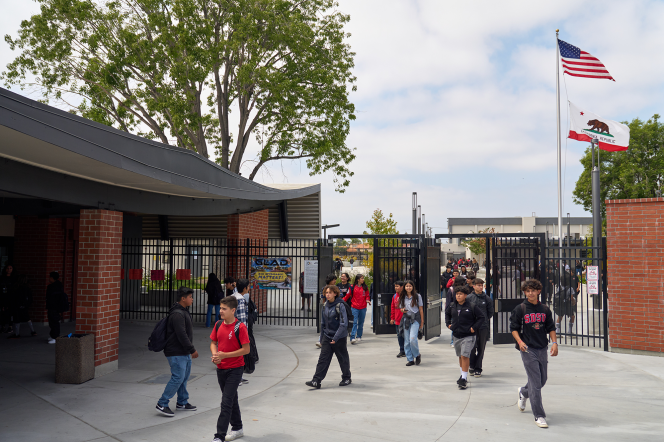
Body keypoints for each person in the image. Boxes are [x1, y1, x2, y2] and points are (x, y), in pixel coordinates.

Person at [510, 279, 558, 429]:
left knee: (542, 380)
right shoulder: (520, 309)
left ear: (538, 292)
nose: (530, 293)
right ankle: (539, 415)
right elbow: (514, 328)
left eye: (533, 290)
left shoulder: (545, 309)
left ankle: (523, 392)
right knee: (536, 383)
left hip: (542, 347)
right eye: (527, 291)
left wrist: (555, 343)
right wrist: (520, 342)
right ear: (525, 292)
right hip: (527, 348)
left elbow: (551, 327)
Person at [210, 295, 250, 441]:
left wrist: (224, 355)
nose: (221, 311)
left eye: (224, 309)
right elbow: (213, 343)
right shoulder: (218, 325)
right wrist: (215, 355)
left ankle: (219, 436)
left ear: (233, 310)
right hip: (221, 368)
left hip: (235, 369)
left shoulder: (241, 327)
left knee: (226, 402)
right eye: (220, 308)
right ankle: (238, 428)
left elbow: (246, 350)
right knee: (231, 399)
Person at [156, 286, 199, 417]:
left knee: (184, 377)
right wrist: (192, 349)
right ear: (183, 298)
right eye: (190, 297)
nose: (192, 299)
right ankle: (162, 403)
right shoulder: (177, 314)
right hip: (176, 352)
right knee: (178, 377)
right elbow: (181, 334)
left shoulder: (183, 311)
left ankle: (182, 402)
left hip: (183, 351)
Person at [306, 285, 351, 389]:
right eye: (326, 293)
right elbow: (323, 323)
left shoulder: (340, 305)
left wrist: (335, 338)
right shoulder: (325, 305)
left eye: (330, 293)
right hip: (327, 336)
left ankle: (346, 377)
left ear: (335, 293)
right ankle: (316, 380)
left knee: (342, 358)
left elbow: (343, 324)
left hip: (339, 337)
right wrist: (321, 338)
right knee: (323, 359)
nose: (327, 295)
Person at [445, 285, 484, 389]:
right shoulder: (452, 305)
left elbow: (481, 317)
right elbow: (447, 314)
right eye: (457, 294)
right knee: (460, 356)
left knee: (465, 356)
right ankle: (462, 375)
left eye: (460, 294)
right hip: (457, 335)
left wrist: (474, 328)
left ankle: (464, 379)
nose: (458, 296)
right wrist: (448, 324)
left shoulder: (471, 306)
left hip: (468, 336)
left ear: (465, 295)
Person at [467, 278, 493, 377]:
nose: (480, 287)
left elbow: (490, 312)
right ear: (473, 286)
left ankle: (478, 368)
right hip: (472, 327)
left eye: (482, 285)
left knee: (481, 348)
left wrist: (484, 320)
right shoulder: (469, 298)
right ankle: (472, 366)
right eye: (478, 285)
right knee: (472, 348)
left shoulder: (487, 299)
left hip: (483, 327)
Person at [398, 280, 424, 366]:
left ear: (412, 287)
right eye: (407, 286)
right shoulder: (401, 297)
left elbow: (420, 309)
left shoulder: (417, 296)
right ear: (404, 287)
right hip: (406, 319)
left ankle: (417, 355)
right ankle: (410, 359)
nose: (408, 287)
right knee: (407, 341)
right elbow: (401, 307)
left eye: (410, 286)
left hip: (415, 319)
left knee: (413, 339)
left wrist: (422, 322)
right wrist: (402, 310)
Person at [233, 279, 251, 385]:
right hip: (239, 330)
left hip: (234, 329)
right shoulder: (240, 299)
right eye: (248, 286)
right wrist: (245, 333)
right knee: (239, 355)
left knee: (238, 354)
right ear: (244, 288)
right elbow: (242, 318)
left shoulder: (234, 296)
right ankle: (237, 378)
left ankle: (239, 376)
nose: (249, 288)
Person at [344, 274, 370, 344]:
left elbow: (367, 295)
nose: (363, 279)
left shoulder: (365, 287)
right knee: (354, 322)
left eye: (363, 278)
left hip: (363, 307)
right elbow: (347, 295)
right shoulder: (352, 287)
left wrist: (368, 300)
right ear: (358, 279)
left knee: (361, 323)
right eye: (361, 278)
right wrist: (342, 301)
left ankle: (359, 336)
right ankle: (352, 337)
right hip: (354, 307)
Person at [316, 273, 338, 348]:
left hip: (335, 309)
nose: (335, 281)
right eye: (333, 279)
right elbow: (323, 300)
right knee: (324, 324)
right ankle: (320, 340)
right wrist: (325, 307)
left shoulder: (336, 288)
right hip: (327, 308)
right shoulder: (324, 288)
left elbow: (339, 299)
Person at [45, 271, 65, 344]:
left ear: (52, 278)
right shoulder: (58, 285)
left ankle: (55, 337)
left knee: (54, 322)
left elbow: (52, 297)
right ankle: (53, 335)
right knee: (52, 321)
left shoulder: (54, 287)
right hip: (53, 307)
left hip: (54, 307)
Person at [390, 280, 405, 358]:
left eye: (397, 286)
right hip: (397, 320)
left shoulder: (406, 296)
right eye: (395, 286)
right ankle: (402, 350)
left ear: (402, 287)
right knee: (399, 336)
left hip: (405, 320)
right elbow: (392, 307)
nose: (395, 288)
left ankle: (407, 350)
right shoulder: (395, 296)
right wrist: (392, 318)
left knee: (406, 335)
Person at [0, 263, 16, 333]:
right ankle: (3, 326)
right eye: (7, 268)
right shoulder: (2, 278)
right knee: (3, 312)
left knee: (10, 312)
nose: (9, 270)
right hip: (3, 296)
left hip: (11, 297)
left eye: (10, 268)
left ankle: (10, 326)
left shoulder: (14, 278)